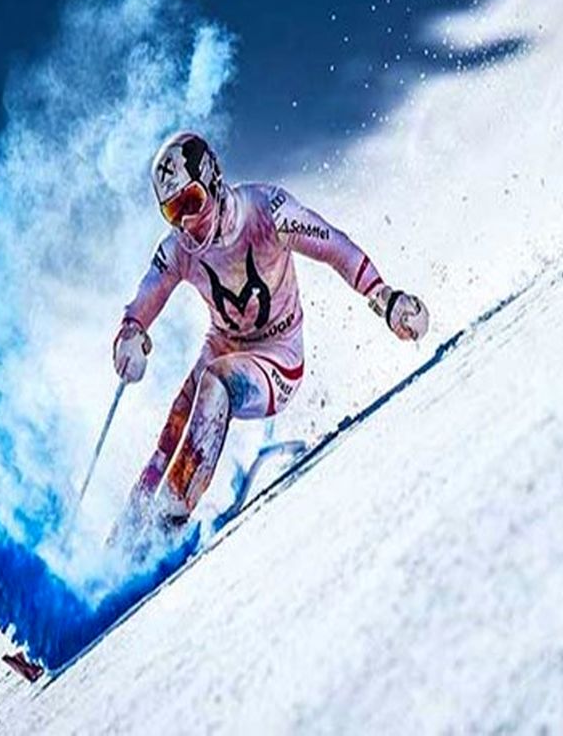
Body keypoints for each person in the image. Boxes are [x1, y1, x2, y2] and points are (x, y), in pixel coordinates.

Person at [109, 132, 428, 546]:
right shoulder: (179, 249)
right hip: (223, 345)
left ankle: (167, 523)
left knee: (217, 382)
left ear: (213, 180)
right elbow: (145, 298)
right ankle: (123, 540)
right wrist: (131, 334)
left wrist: (384, 298)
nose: (186, 223)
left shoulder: (267, 211)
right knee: (176, 423)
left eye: (190, 203)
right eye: (173, 212)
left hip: (277, 359)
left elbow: (333, 246)